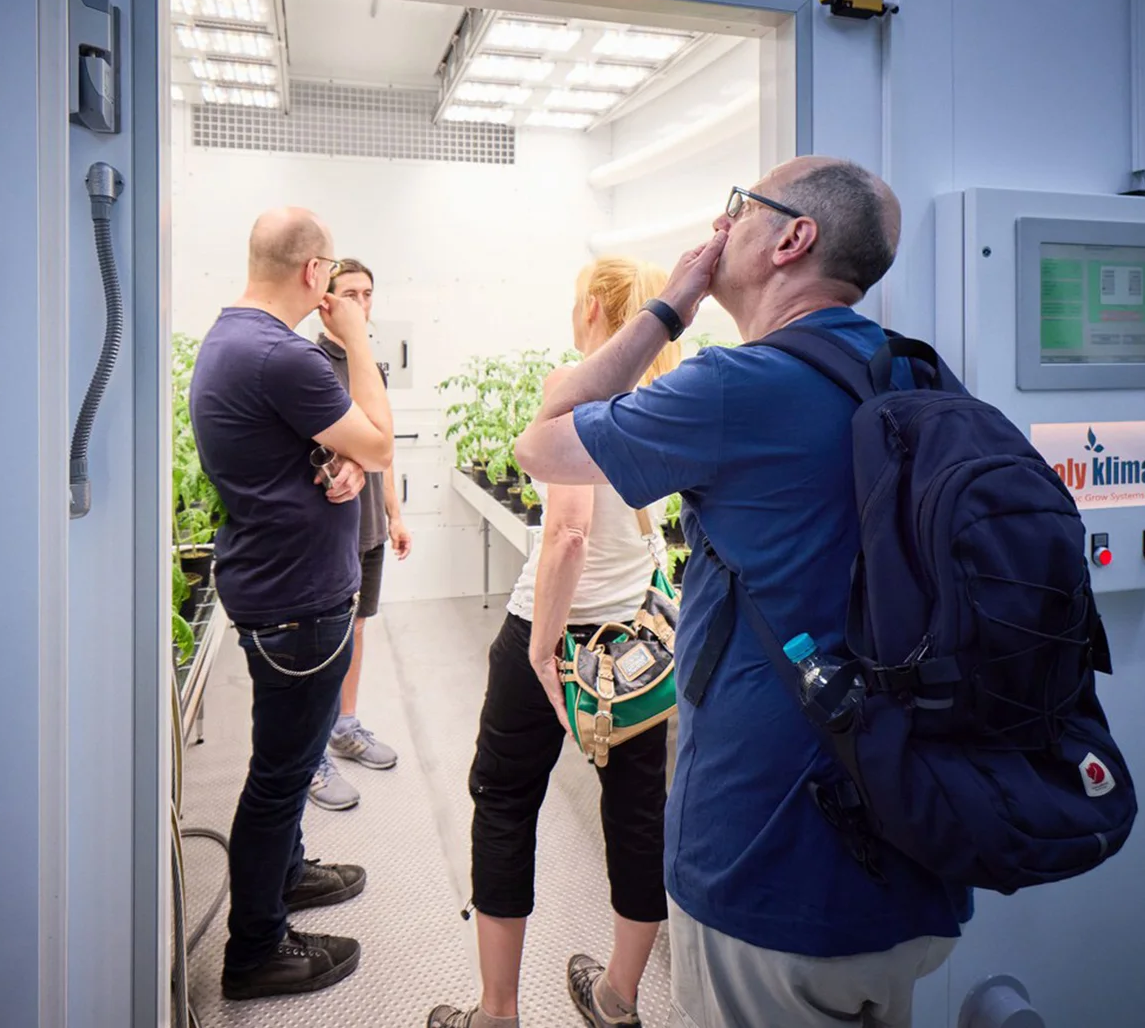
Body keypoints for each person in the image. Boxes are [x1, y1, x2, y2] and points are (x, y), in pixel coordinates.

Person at [514, 158, 973, 1028]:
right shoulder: (915, 373)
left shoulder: (736, 385)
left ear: (792, 240)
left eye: (739, 209)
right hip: (915, 838)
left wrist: (665, 311)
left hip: (774, 859)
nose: (719, 228)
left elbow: (541, 440)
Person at [429, 257, 681, 1028]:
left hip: (557, 630)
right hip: (636, 643)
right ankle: (618, 1000)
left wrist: (541, 650)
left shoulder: (574, 386)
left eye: (578, 301)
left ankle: (497, 1014)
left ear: (600, 314)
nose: (572, 314)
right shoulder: (667, 396)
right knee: (638, 815)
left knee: (503, 801)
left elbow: (568, 532)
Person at [190, 207, 395, 1001]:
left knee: (293, 757)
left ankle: (288, 874)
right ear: (316, 274)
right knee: (279, 777)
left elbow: (308, 453)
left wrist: (331, 466)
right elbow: (379, 441)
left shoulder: (232, 338)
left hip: (277, 583)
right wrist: (360, 341)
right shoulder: (283, 355)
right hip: (299, 602)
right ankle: (257, 951)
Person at [307, 257, 414, 812]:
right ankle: (311, 756)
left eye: (367, 293)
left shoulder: (368, 362)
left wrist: (394, 513)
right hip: (330, 526)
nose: (360, 303)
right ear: (324, 300)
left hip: (369, 522)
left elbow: (384, 445)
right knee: (325, 640)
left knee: (357, 630)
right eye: (348, 293)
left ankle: (344, 727)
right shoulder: (309, 361)